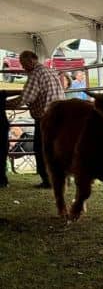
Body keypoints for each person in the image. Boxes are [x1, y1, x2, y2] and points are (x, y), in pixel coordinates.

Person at [5, 51, 65, 188]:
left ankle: (48, 180)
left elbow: (26, 97)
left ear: (30, 61)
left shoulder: (35, 74)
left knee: (42, 148)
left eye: (23, 63)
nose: (22, 66)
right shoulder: (49, 71)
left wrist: (6, 103)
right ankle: (60, 177)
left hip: (46, 117)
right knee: (56, 148)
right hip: (59, 114)